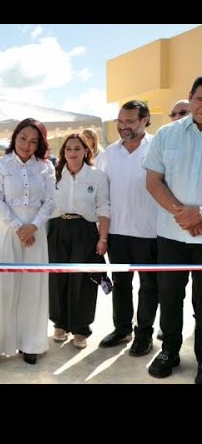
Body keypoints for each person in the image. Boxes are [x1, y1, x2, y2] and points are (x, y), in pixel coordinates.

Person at [144, 77, 202, 383]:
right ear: (190, 98)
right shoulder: (167, 134)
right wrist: (184, 215)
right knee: (169, 296)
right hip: (171, 234)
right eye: (199, 98)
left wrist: (200, 215)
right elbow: (153, 181)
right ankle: (169, 349)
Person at [0, 118, 55, 365]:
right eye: (23, 138)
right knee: (4, 288)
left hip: (36, 233)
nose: (27, 145)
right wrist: (19, 228)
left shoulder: (46, 167)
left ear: (39, 145)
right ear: (15, 137)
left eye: (34, 141)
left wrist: (33, 226)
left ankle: (31, 343)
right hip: (6, 232)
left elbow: (50, 201)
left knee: (32, 288)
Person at [96, 100, 159, 356]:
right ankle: (122, 329)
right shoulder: (109, 153)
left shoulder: (158, 146)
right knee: (121, 284)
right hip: (117, 232)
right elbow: (102, 195)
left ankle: (144, 335)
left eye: (130, 121)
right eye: (120, 121)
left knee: (149, 286)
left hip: (150, 232)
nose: (123, 126)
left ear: (145, 120)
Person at [48, 133, 110, 349]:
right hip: (57, 228)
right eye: (68, 149)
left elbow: (103, 208)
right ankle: (60, 323)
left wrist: (103, 238)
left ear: (86, 151)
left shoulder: (97, 176)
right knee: (58, 279)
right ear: (63, 153)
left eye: (77, 148)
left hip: (85, 230)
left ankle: (81, 328)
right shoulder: (54, 174)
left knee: (83, 280)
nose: (72, 153)